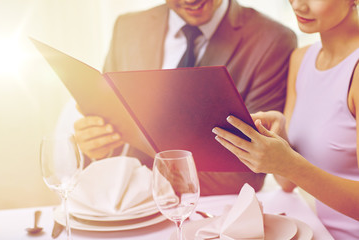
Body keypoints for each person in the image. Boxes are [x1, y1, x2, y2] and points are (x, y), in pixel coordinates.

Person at [69, 0, 297, 196]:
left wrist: (157, 183)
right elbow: (111, 123)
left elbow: (248, 168)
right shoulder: (127, 28)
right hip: (127, 205)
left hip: (212, 210)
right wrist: (98, 144)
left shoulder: (272, 40)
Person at [212, 0, 359, 238]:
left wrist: (290, 163)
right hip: (315, 229)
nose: (299, 5)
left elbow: (295, 171)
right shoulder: (301, 59)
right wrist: (278, 139)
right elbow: (287, 183)